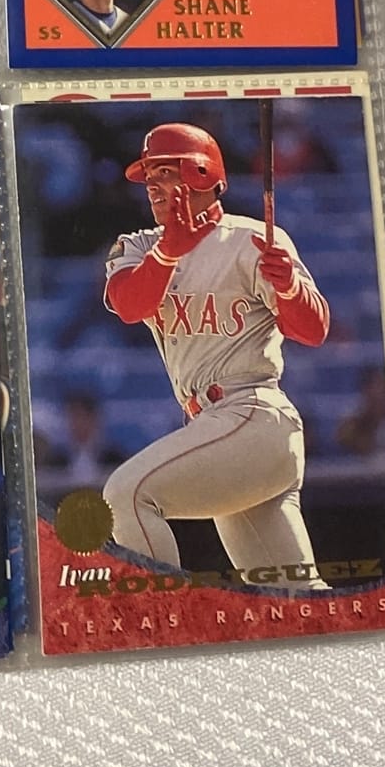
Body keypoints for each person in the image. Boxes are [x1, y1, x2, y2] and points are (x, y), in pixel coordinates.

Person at [99, 123, 330, 579]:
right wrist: (168, 252)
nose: (152, 185)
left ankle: (163, 618)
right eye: (149, 176)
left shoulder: (251, 239)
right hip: (215, 429)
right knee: (295, 602)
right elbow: (129, 304)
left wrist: (289, 288)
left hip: (254, 415)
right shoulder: (140, 245)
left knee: (125, 495)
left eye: (165, 173)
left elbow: (313, 330)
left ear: (201, 174)